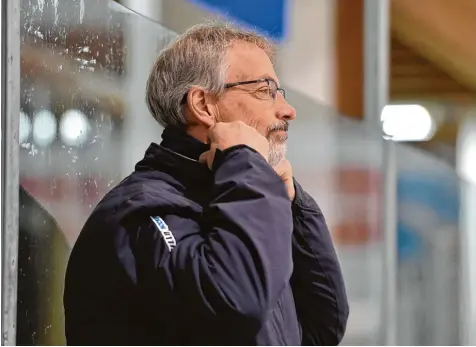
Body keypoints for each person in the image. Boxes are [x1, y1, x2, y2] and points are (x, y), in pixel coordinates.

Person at [64, 23, 349, 346]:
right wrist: (247, 165)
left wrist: (293, 207)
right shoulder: (142, 212)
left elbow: (321, 328)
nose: (287, 110)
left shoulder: (240, 201)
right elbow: (232, 302)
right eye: (266, 90)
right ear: (203, 105)